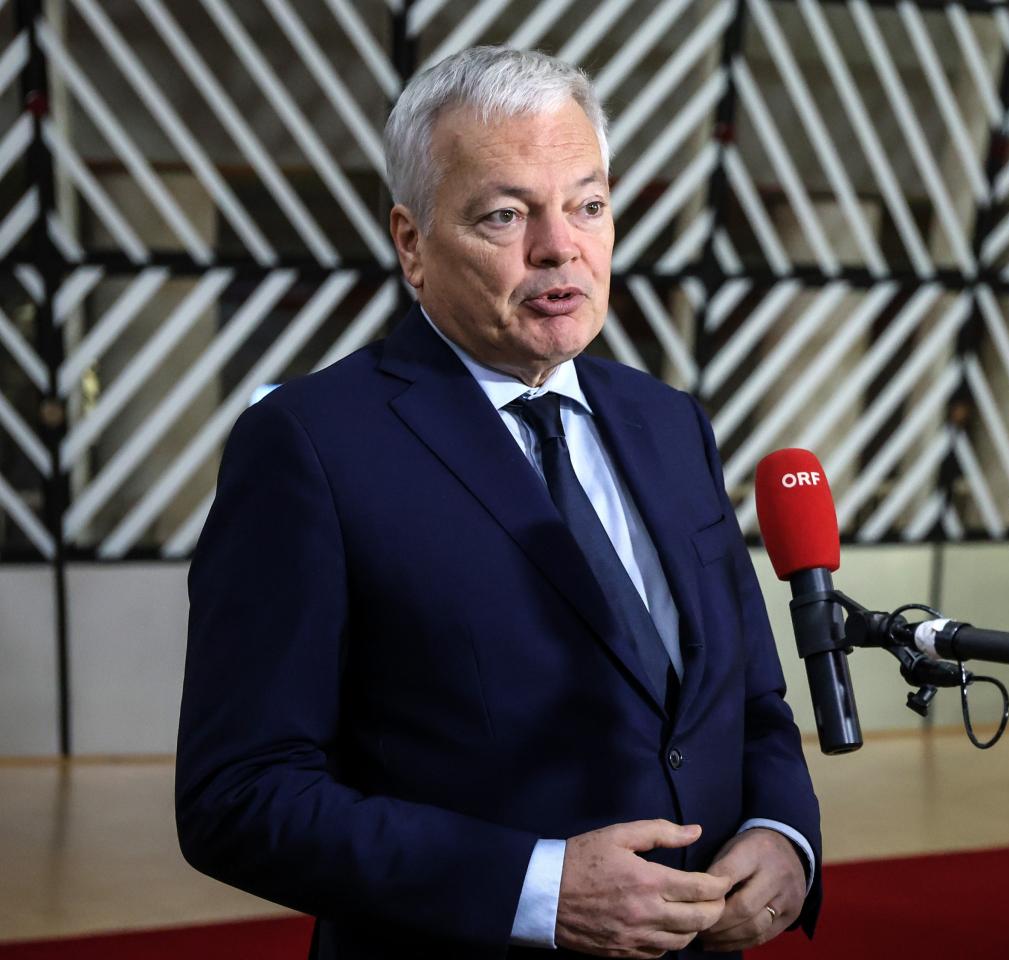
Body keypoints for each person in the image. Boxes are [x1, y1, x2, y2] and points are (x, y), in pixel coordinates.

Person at [175, 46, 821, 959]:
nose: (560, 247)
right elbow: (238, 795)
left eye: (588, 206)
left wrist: (786, 834)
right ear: (412, 243)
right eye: (505, 215)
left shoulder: (671, 422)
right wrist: (539, 891)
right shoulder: (310, 446)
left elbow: (748, 699)